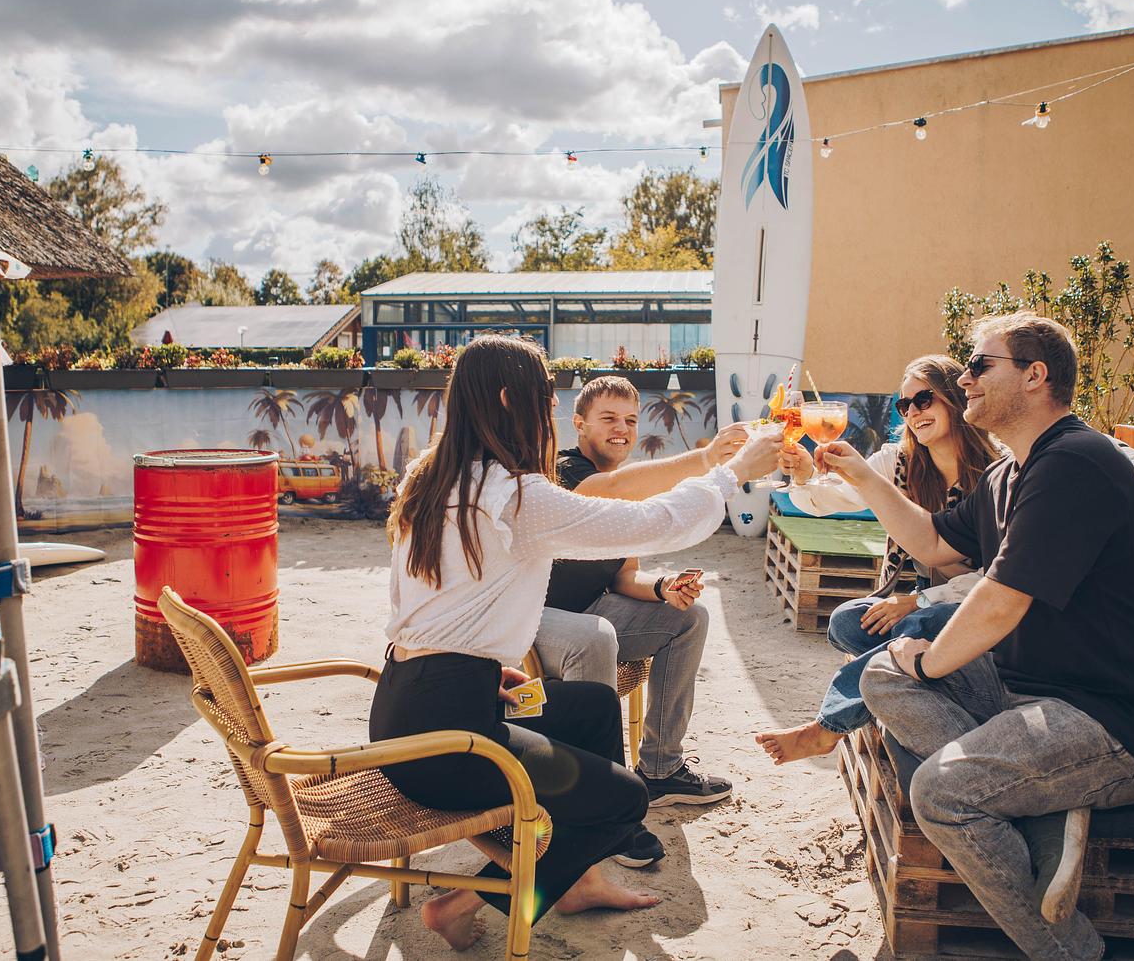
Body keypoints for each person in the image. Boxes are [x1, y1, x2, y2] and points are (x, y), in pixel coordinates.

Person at [372, 335, 781, 952]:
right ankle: (464, 903)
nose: (552, 411)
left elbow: (429, 601)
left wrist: (478, 665)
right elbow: (652, 521)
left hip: (406, 708)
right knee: (625, 801)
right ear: (509, 400)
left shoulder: (433, 478)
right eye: (546, 397)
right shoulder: (513, 496)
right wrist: (731, 474)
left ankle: (577, 879)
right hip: (449, 743)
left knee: (592, 706)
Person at [812, 313, 1134, 960]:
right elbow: (933, 541)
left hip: (1120, 719)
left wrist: (930, 664)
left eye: (978, 365)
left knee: (940, 792)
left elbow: (1001, 599)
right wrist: (861, 476)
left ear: (1035, 375)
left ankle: (1074, 952)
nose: (963, 378)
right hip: (1038, 690)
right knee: (881, 674)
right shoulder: (1008, 474)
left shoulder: (1075, 461)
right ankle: (1047, 809)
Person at [533, 376, 749, 867]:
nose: (622, 429)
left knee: (689, 618)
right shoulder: (566, 472)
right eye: (608, 418)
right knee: (596, 636)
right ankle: (601, 801)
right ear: (579, 423)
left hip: (594, 610)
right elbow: (608, 489)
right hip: (538, 620)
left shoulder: (626, 490)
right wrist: (709, 459)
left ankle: (659, 770)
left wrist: (663, 588)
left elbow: (624, 576)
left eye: (630, 420)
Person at [754, 355, 1000, 765]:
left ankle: (826, 729)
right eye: (905, 405)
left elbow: (998, 578)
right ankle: (917, 657)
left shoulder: (995, 472)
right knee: (846, 621)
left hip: (979, 609)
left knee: (923, 621)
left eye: (924, 399)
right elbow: (831, 498)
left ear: (955, 397)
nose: (914, 412)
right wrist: (804, 474)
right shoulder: (897, 462)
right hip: (925, 598)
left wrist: (916, 603)